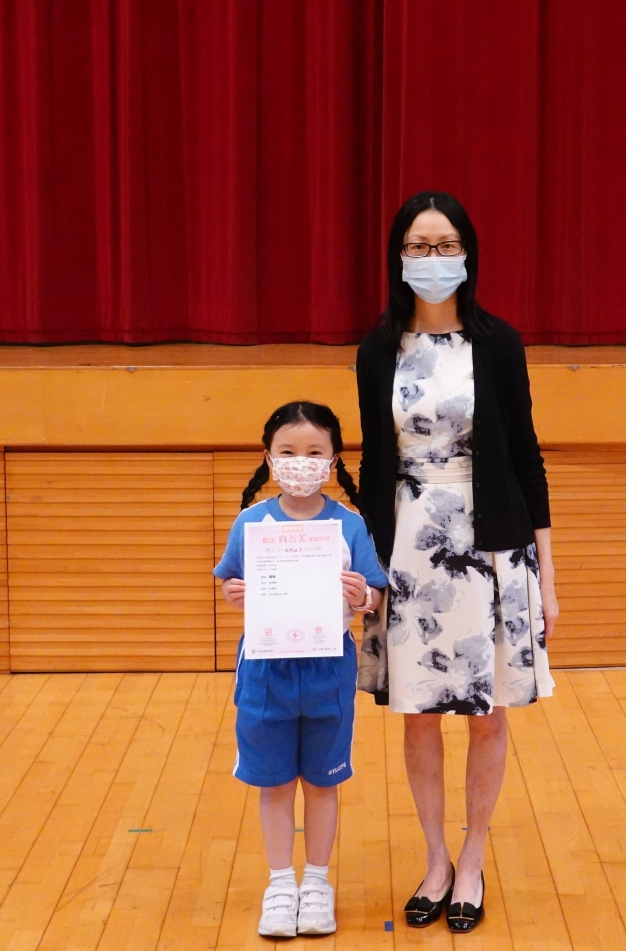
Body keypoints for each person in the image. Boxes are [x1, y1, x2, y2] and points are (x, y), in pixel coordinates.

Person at [354, 191, 558, 933]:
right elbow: (375, 461)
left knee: (487, 716)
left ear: (467, 254)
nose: (432, 258)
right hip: (409, 548)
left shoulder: (498, 343)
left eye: (445, 246)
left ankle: (473, 858)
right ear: (398, 257)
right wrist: (368, 566)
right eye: (419, 245)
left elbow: (527, 457)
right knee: (417, 717)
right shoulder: (377, 348)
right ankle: (436, 859)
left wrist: (547, 577)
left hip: (491, 545)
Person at [214, 401, 389, 939]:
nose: (301, 462)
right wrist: (234, 593)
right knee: (273, 783)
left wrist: (364, 596)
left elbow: (377, 593)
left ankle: (316, 882)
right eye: (288, 451)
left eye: (314, 452)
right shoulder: (251, 522)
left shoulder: (350, 525)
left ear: (333, 460)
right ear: (269, 458)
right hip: (265, 671)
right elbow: (228, 582)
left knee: (320, 780)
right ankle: (279, 883)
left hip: (328, 668)